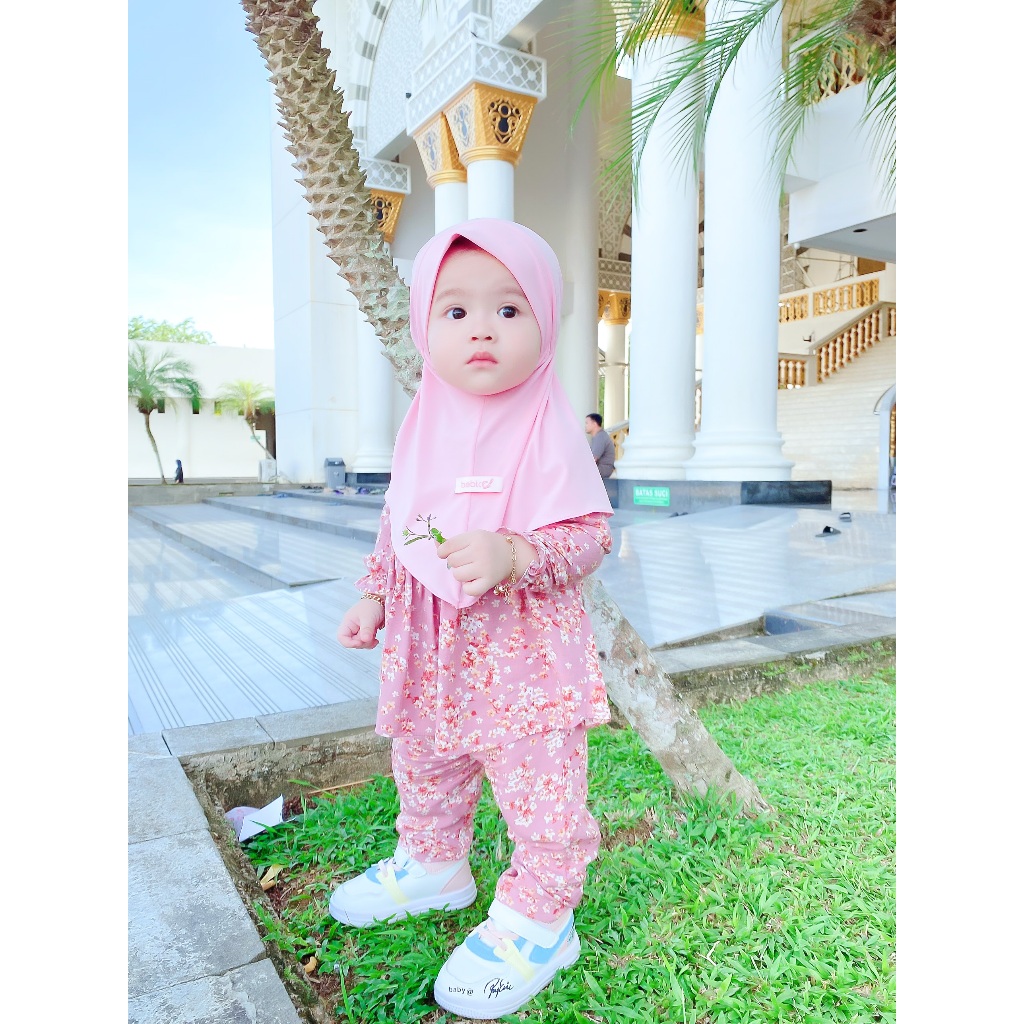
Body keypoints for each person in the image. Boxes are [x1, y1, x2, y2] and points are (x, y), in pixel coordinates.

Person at [332, 219, 614, 1019]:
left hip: (523, 653)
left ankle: (540, 918)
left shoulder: (551, 427)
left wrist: (515, 552)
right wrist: (376, 593)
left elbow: (591, 535)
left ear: (546, 322)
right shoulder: (424, 423)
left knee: (539, 787)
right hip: (429, 649)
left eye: (509, 309)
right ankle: (433, 862)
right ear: (425, 326)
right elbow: (401, 521)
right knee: (426, 759)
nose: (481, 328)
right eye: (455, 311)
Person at [584, 412, 615, 479]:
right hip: (601, 468)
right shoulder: (598, 436)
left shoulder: (600, 437)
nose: (585, 426)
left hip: (603, 469)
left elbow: (594, 459)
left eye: (587, 423)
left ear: (594, 424)